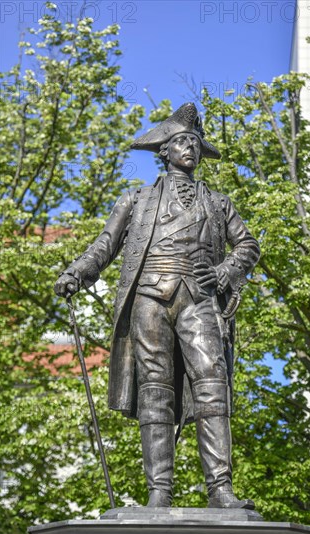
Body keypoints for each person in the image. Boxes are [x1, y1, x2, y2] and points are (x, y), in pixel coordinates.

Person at [54, 103, 260, 508]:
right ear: (164, 151)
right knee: (155, 390)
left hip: (199, 299)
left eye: (195, 143)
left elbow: (249, 245)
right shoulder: (137, 200)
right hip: (150, 297)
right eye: (182, 141)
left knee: (212, 384)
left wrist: (224, 273)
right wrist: (76, 273)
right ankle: (158, 493)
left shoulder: (218, 203)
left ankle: (221, 490)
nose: (191, 148)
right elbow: (105, 246)